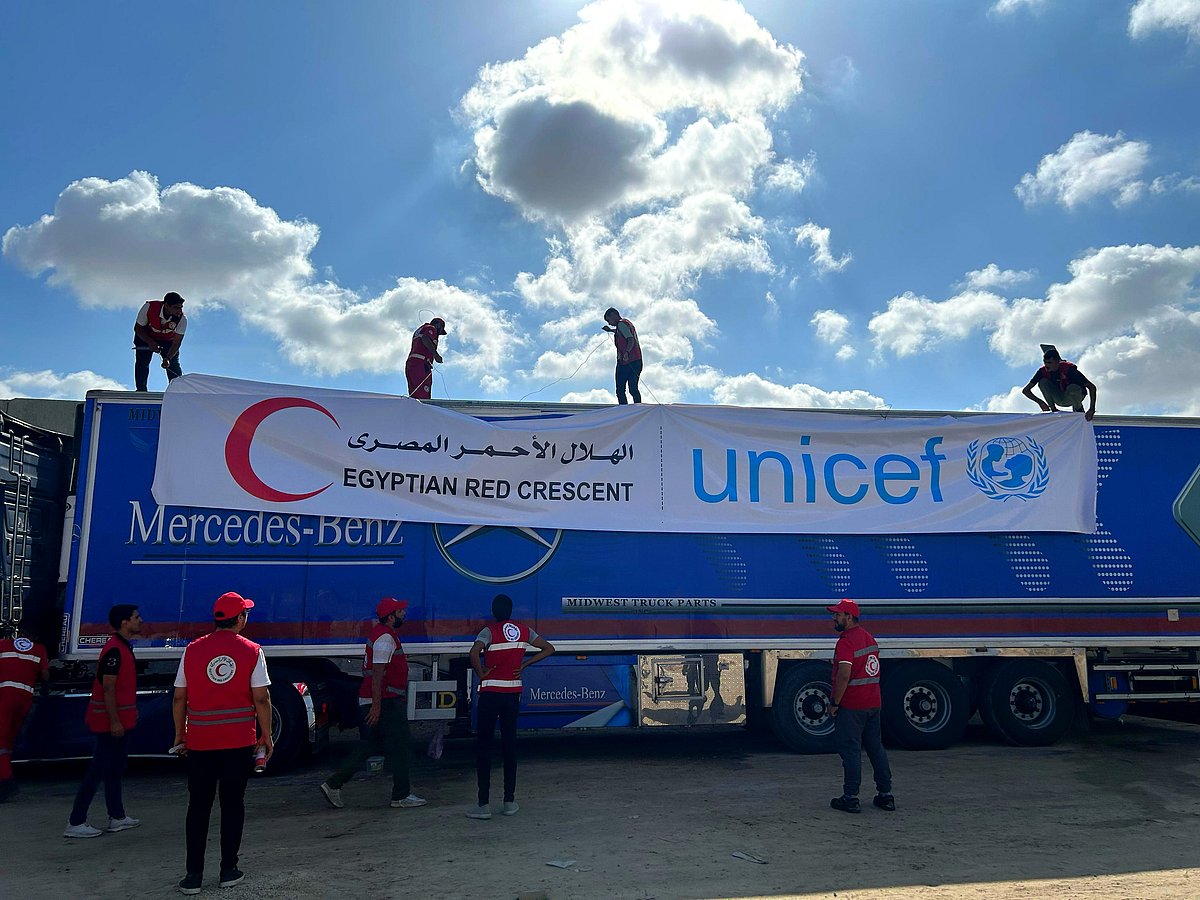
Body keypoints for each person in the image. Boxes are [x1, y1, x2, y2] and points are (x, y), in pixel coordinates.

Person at [172, 592, 273, 895]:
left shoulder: (192, 650)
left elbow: (179, 696)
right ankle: (229, 869)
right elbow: (262, 698)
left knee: (198, 806)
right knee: (232, 804)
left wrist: (180, 734)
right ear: (240, 619)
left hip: (200, 742)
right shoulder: (252, 650)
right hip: (237, 743)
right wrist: (266, 735)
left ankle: (193, 876)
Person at [320, 597, 426, 811]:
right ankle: (401, 795)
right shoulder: (385, 639)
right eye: (400, 611)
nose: (404, 614)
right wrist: (376, 707)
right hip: (385, 702)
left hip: (382, 700)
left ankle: (333, 783)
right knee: (402, 746)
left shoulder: (383, 635)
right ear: (390, 616)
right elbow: (377, 675)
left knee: (372, 745)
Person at [467, 593, 554, 820]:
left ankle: (483, 804)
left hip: (489, 694)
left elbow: (473, 652)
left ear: (494, 612)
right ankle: (509, 801)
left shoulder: (489, 632)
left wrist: (481, 672)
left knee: (484, 747)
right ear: (511, 611)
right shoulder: (523, 630)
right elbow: (549, 648)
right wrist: (525, 664)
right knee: (509, 746)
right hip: (511, 694)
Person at [64, 604, 143, 837]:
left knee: (115, 769)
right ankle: (76, 821)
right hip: (110, 723)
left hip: (119, 721)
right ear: (124, 622)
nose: (140, 621)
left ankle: (117, 816)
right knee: (98, 770)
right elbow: (108, 688)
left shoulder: (121, 647)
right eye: (136, 618)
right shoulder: (115, 650)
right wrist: (115, 721)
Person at [826, 598, 894, 814]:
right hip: (873, 704)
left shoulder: (846, 642)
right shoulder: (869, 638)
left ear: (849, 617)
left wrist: (835, 702)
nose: (834, 618)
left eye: (837, 614)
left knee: (851, 751)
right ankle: (885, 795)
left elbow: (844, 675)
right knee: (875, 748)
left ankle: (851, 797)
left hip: (853, 706)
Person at [0, 621, 51, 802]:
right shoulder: (39, 650)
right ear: (35, 636)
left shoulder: (3, 645)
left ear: (18, 632)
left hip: (4, 698)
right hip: (24, 700)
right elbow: (45, 676)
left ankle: (6, 782)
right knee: (7, 741)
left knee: (1, 741)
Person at [1022, 344, 1097, 422]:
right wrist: (1040, 402)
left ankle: (1078, 409)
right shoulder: (1042, 371)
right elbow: (1026, 390)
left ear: (1057, 362)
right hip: (1059, 398)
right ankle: (1053, 410)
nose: (1047, 366)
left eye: (1049, 363)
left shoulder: (1069, 370)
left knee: (1072, 388)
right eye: (1045, 363)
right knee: (1043, 382)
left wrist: (1091, 409)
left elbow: (1092, 387)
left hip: (1074, 396)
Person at [134, 291, 187, 391]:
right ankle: (141, 390)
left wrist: (168, 358)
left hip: (168, 341)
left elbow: (177, 342)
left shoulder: (182, 319)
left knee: (173, 365)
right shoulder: (149, 307)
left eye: (181, 307)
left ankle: (178, 391)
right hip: (146, 337)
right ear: (166, 305)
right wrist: (150, 342)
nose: (179, 311)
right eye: (176, 307)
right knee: (142, 362)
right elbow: (138, 328)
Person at [602, 307, 642, 404]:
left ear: (613, 315)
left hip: (626, 362)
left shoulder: (621, 324)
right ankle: (638, 406)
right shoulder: (625, 324)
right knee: (633, 388)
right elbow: (622, 332)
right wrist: (611, 330)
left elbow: (630, 339)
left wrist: (626, 353)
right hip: (637, 361)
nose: (609, 323)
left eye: (608, 320)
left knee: (620, 390)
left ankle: (624, 409)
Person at [406, 317, 446, 399]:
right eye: (440, 330)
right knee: (423, 394)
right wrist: (435, 354)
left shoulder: (421, 329)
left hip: (412, 363)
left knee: (415, 394)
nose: (438, 334)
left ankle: (414, 410)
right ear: (438, 325)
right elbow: (425, 338)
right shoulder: (431, 328)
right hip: (421, 364)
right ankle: (422, 411)